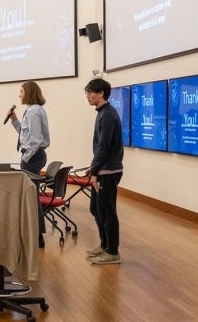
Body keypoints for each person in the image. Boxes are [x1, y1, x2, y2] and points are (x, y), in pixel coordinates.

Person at [83, 78, 124, 265]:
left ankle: (112, 252)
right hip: (102, 169)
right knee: (96, 208)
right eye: (87, 92)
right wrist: (93, 167)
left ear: (101, 93)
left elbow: (103, 147)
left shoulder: (107, 115)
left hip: (108, 172)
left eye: (91, 92)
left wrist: (94, 172)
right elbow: (101, 147)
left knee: (107, 211)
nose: (88, 95)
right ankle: (105, 245)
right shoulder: (102, 113)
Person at [7, 80, 50, 176]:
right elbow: (25, 133)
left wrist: (26, 158)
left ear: (29, 93)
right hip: (34, 155)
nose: (19, 95)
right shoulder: (34, 109)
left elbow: (36, 140)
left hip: (33, 156)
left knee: (30, 189)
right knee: (31, 188)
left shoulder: (33, 111)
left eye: (21, 91)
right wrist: (14, 119)